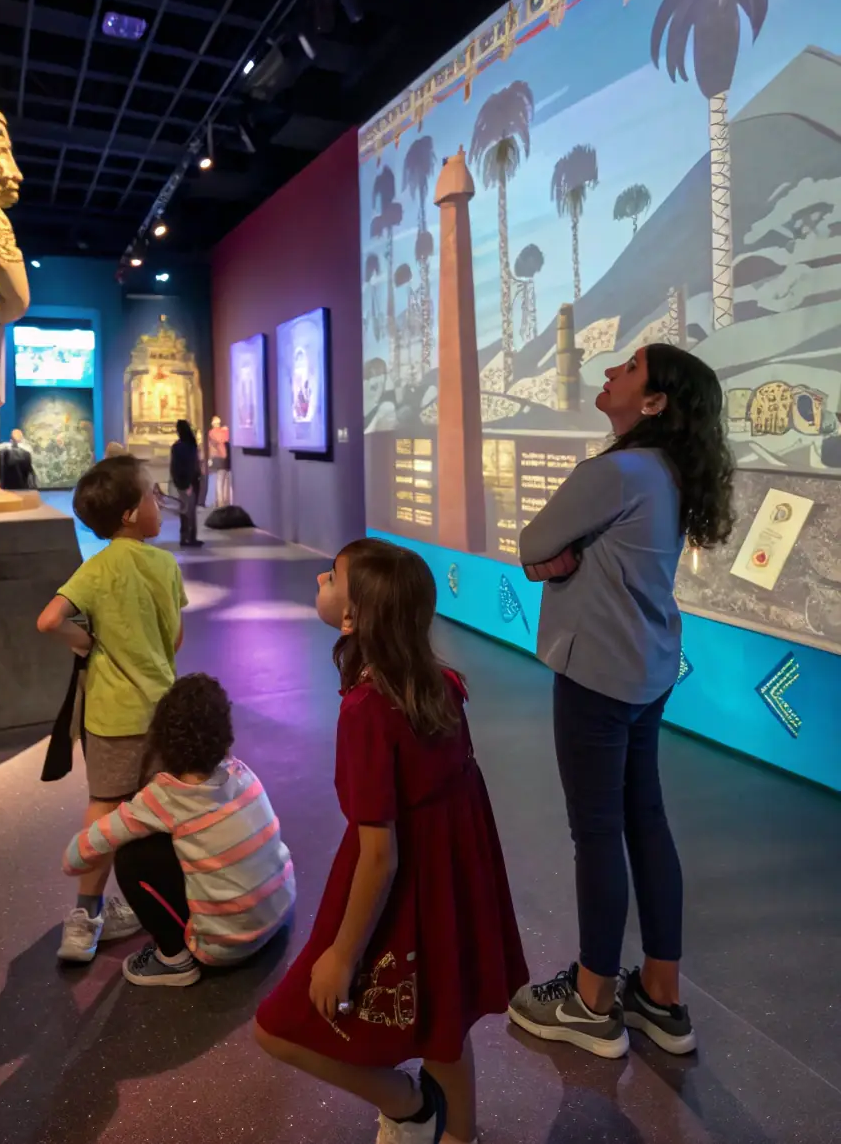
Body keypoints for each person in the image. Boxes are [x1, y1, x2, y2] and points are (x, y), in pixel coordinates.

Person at [255, 538, 528, 1144]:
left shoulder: (366, 711)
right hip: (445, 893)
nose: (321, 579)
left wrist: (343, 955)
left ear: (353, 617)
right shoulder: (442, 685)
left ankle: (408, 1103)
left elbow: (379, 853)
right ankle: (458, 1134)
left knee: (275, 1028)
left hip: (394, 890)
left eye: (332, 577)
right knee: (443, 1023)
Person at [509, 343, 734, 1059]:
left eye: (630, 368)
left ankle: (591, 998)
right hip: (647, 670)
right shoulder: (664, 471)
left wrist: (559, 553)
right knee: (645, 820)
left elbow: (534, 541)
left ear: (656, 401)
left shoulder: (612, 472)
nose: (610, 372)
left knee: (597, 831)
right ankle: (661, 995)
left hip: (597, 674)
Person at [37, 453, 189, 963]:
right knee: (164, 812)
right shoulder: (165, 565)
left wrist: (85, 642)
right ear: (130, 513)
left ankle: (86, 915)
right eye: (152, 494)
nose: (159, 501)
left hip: (109, 717)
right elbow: (178, 637)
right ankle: (167, 905)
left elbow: (48, 620)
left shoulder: (95, 568)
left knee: (104, 809)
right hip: (162, 712)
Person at [64, 673, 295, 988]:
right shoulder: (242, 774)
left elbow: (97, 840)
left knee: (132, 856)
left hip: (228, 947)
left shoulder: (165, 796)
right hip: (278, 913)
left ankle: (172, 960)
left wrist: (72, 859)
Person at [170, 419, 203, 549]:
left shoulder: (177, 447)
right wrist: (189, 483)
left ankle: (185, 537)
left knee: (184, 510)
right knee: (190, 510)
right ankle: (191, 537)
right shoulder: (190, 446)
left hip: (182, 481)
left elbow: (175, 467)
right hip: (191, 482)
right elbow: (192, 466)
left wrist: (178, 481)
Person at [208, 414, 232, 508]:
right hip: (226, 458)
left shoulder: (212, 432)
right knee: (225, 479)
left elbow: (216, 442)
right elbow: (225, 439)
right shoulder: (224, 432)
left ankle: (221, 502)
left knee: (219, 479)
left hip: (218, 458)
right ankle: (225, 501)